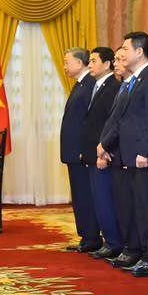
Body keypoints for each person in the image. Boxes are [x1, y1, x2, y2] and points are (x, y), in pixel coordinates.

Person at [99, 32, 148, 277]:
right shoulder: (137, 80)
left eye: (126, 49)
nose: (123, 54)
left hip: (142, 156)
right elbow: (123, 120)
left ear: (139, 52)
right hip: (128, 156)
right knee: (138, 209)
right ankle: (142, 252)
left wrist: (144, 151)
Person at [98, 47, 142, 268]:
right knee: (122, 205)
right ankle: (127, 246)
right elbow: (112, 122)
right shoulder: (124, 87)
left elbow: (124, 123)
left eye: (121, 59)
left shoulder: (132, 85)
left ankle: (134, 247)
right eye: (115, 60)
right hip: (117, 153)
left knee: (131, 206)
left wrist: (105, 145)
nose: (117, 63)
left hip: (126, 153)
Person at [81, 47, 123, 261]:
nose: (89, 65)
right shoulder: (96, 86)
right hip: (92, 153)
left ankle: (114, 242)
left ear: (107, 65)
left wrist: (103, 151)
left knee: (107, 201)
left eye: (94, 61)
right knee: (99, 201)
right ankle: (109, 240)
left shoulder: (114, 87)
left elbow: (109, 125)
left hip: (104, 155)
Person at [61, 47, 102, 253]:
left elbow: (88, 122)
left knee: (85, 194)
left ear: (79, 63)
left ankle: (91, 237)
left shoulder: (90, 85)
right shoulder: (80, 85)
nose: (65, 67)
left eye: (67, 62)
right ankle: (86, 236)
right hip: (74, 152)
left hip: (80, 152)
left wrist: (82, 149)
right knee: (79, 195)